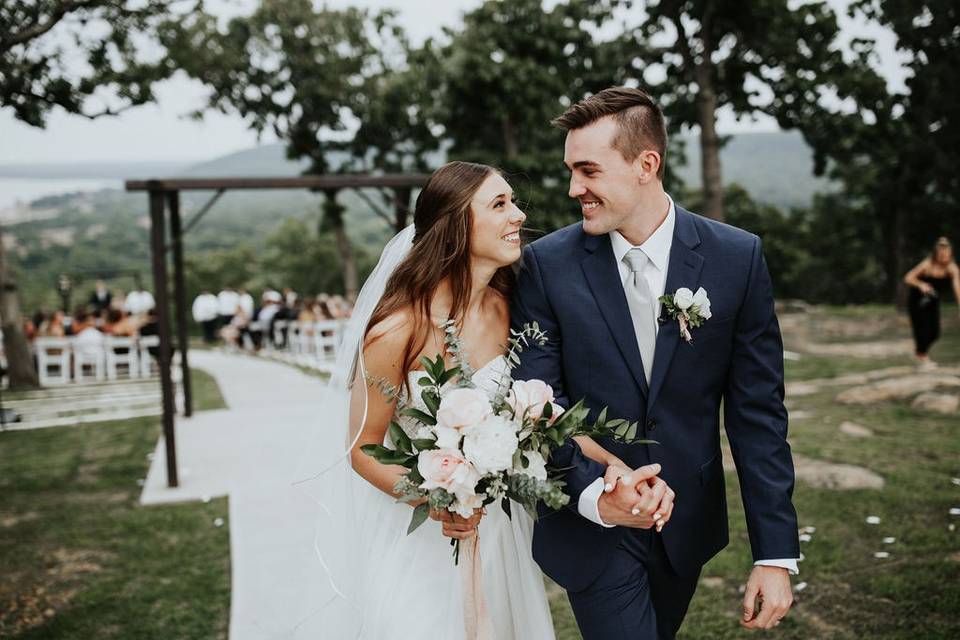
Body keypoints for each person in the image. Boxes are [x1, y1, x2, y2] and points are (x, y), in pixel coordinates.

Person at [299, 161, 652, 639]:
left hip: (500, 536)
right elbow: (362, 448)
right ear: (456, 227)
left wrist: (617, 468)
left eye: (514, 202)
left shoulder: (512, 310)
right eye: (500, 205)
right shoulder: (398, 330)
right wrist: (438, 499)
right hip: (425, 539)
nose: (519, 216)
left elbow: (542, 417)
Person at [512, 87, 800, 639]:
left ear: (647, 164)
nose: (575, 188)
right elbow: (535, 402)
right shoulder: (545, 267)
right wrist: (599, 493)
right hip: (590, 520)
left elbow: (758, 414)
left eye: (588, 170)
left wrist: (776, 554)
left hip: (684, 524)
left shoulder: (737, 258)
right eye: (571, 171)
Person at [904, 236, 960, 366]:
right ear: (936, 252)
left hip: (933, 301)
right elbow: (908, 278)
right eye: (941, 251)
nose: (943, 255)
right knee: (921, 329)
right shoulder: (927, 264)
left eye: (946, 251)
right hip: (917, 300)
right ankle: (921, 355)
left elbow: (957, 289)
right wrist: (920, 284)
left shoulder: (952, 268)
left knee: (935, 332)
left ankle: (920, 353)